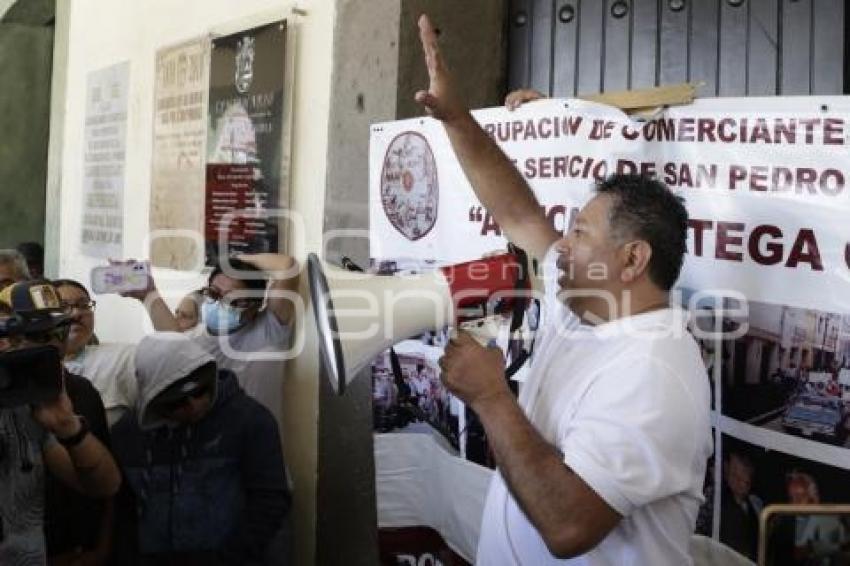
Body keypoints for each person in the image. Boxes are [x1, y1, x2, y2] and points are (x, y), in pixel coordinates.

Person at [416, 14, 712, 564]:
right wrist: (456, 118)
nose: (562, 244)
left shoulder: (655, 371)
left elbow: (568, 524)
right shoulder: (584, 304)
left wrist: (491, 398)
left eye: (579, 232)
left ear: (631, 259)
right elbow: (517, 211)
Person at [111, 333, 291, 564]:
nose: (194, 406)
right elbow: (122, 512)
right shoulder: (126, 434)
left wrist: (229, 558)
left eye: (200, 391)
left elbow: (269, 502)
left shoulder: (249, 421)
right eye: (178, 402)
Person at [0, 280, 121, 564]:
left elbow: (104, 486)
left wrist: (68, 426)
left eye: (57, 331)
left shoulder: (44, 401)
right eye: (30, 335)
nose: (52, 343)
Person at [122, 254, 298, 422]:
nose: (219, 303)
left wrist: (233, 260)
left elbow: (287, 266)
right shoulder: (192, 339)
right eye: (214, 294)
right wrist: (148, 294)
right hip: (209, 445)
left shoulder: (267, 331)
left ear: (254, 308)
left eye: (232, 300)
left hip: (256, 444)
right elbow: (171, 339)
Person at [55, 278, 137, 425]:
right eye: (63, 306)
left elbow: (180, 364)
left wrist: (150, 297)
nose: (76, 314)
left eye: (83, 305)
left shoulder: (120, 358)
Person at [719, 451, 763, 560]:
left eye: (745, 479)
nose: (741, 482)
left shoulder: (756, 503)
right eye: (735, 475)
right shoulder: (717, 501)